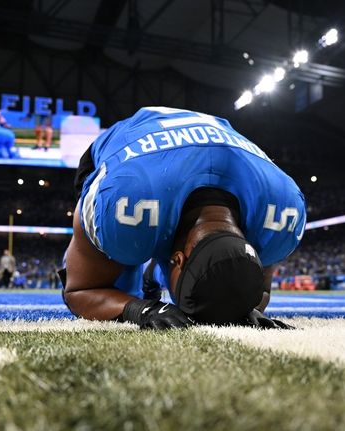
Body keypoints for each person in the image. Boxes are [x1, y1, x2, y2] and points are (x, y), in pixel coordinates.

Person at [60, 107, 306, 329]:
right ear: (176, 259)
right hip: (128, 149)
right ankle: (146, 271)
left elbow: (255, 290)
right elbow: (82, 290)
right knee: (124, 268)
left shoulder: (281, 211)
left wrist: (241, 306)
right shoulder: (124, 201)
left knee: (216, 292)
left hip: (183, 161)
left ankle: (155, 272)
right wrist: (138, 309)